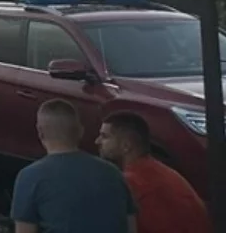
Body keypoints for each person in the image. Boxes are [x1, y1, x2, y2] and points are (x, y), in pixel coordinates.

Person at [12, 100, 136, 233]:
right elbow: (131, 226)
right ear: (80, 131)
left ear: (40, 132)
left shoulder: (30, 177)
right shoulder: (113, 173)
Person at [96, 111, 204, 233]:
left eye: (104, 136)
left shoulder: (131, 183)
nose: (97, 141)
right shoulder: (162, 171)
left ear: (126, 146)